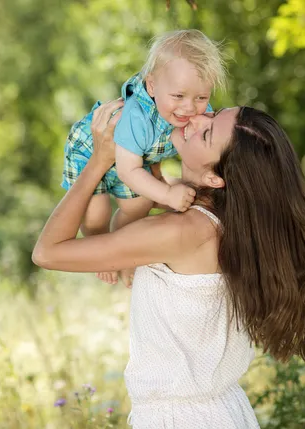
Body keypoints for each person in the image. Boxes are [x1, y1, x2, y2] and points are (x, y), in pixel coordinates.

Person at [34, 100, 305, 428]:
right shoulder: (224, 221)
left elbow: (47, 252)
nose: (197, 117)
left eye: (207, 133)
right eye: (212, 112)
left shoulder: (183, 231)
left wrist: (97, 162)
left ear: (214, 178)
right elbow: (134, 204)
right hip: (220, 412)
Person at [61, 29, 226, 285]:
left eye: (201, 97)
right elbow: (129, 171)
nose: (189, 108)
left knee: (138, 206)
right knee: (97, 212)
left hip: (132, 158)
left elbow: (194, 147)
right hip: (92, 151)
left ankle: (124, 250)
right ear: (152, 86)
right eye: (178, 96)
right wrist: (167, 194)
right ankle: (99, 247)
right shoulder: (137, 117)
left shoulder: (198, 115)